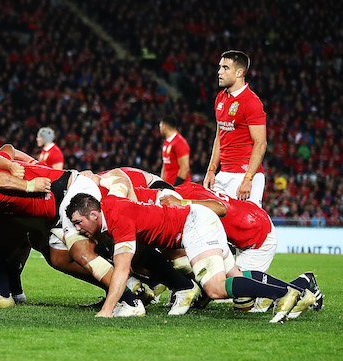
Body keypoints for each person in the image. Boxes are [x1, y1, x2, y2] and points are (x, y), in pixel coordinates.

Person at [65, 192, 316, 322]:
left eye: (79, 222)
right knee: (235, 278)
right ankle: (300, 289)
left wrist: (107, 310)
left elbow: (121, 269)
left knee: (216, 289)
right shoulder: (111, 208)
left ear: (95, 215)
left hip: (193, 225)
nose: (77, 229)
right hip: (198, 220)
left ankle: (282, 295)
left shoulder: (118, 218)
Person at [203, 50, 267, 207]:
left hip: (244, 175)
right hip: (223, 173)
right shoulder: (220, 97)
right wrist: (211, 169)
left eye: (225, 68)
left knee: (248, 227)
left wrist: (248, 179)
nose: (219, 72)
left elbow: (261, 143)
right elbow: (220, 136)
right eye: (220, 67)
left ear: (239, 72)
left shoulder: (251, 102)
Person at [159, 116, 190, 186]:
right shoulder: (166, 143)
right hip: (168, 187)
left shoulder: (180, 142)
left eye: (160, 127)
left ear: (164, 127)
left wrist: (175, 187)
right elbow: (165, 166)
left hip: (180, 189)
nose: (160, 130)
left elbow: (185, 168)